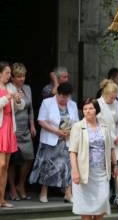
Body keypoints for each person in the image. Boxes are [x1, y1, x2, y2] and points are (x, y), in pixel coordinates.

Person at [69, 98, 117, 220]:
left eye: (90, 108)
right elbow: (72, 151)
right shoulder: (78, 127)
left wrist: (115, 165)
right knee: (85, 201)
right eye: (85, 109)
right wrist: (75, 171)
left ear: (96, 109)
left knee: (103, 199)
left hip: (102, 169)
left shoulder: (105, 126)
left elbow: (111, 147)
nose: (88, 111)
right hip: (84, 170)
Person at [30, 82, 78, 203]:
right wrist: (57, 131)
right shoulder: (47, 103)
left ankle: (68, 193)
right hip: (50, 140)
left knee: (67, 166)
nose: (64, 99)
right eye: (62, 97)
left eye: (67, 97)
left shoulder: (72, 105)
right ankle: (43, 192)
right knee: (47, 166)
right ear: (58, 93)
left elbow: (77, 122)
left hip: (66, 140)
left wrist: (70, 131)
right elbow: (41, 120)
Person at [6, 63, 35, 201]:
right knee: (12, 160)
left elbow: (31, 109)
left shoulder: (27, 88)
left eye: (24, 76)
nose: (22, 79)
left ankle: (20, 184)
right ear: (12, 78)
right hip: (13, 128)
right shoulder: (8, 89)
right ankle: (12, 188)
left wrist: (32, 125)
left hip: (25, 129)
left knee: (29, 157)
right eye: (19, 76)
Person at [0, 61, 21, 208]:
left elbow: (20, 106)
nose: (9, 75)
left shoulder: (10, 87)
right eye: (7, 72)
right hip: (1, 127)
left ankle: (1, 199)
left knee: (5, 166)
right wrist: (8, 97)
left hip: (9, 126)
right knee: (0, 164)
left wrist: (18, 100)